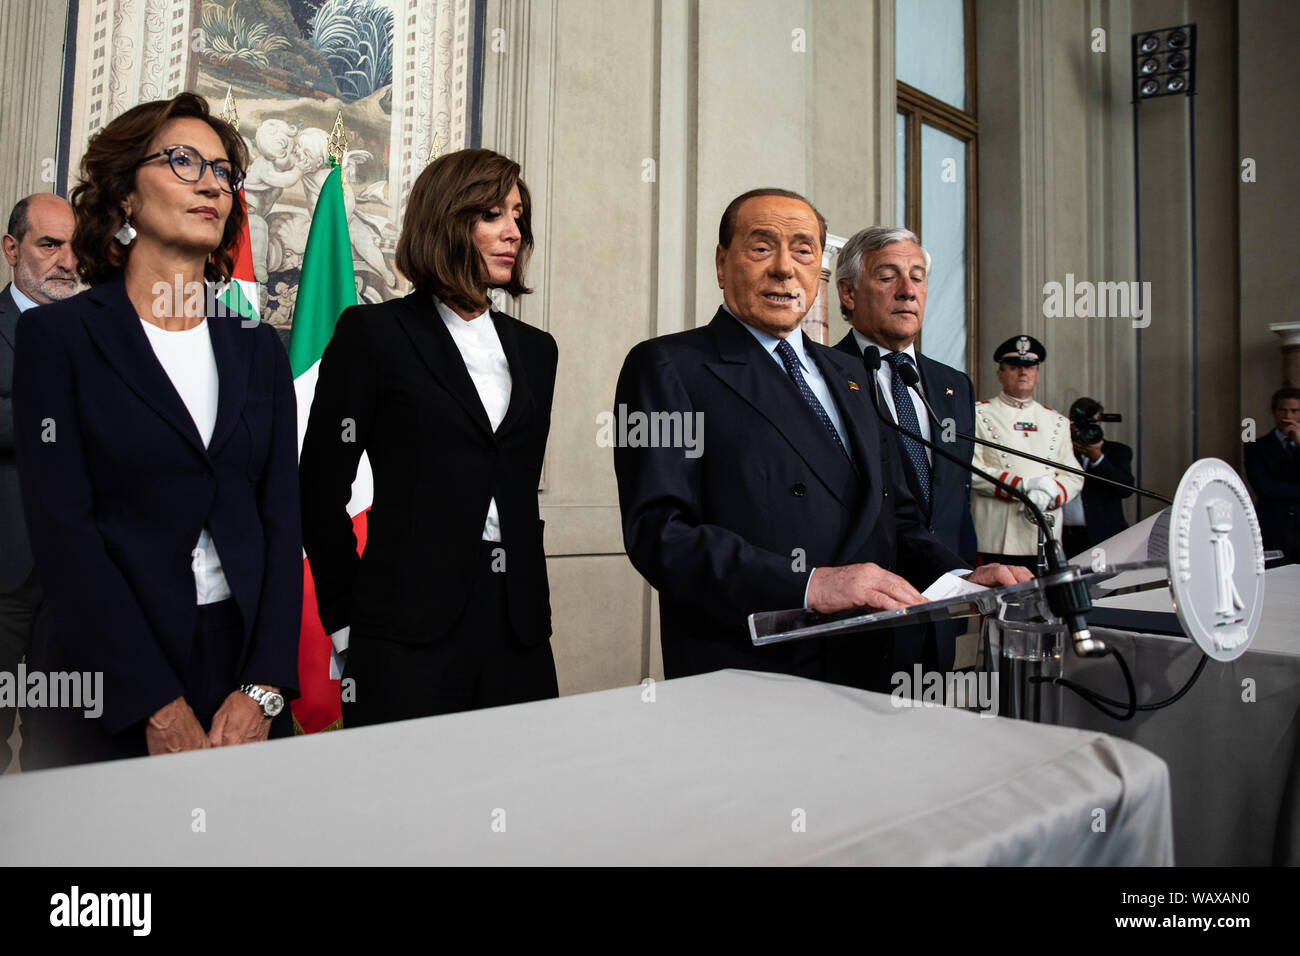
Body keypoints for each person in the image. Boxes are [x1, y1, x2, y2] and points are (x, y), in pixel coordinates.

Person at [613, 188, 1031, 693]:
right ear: (722, 264)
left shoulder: (851, 374)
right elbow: (660, 534)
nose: (785, 269)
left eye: (804, 250)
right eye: (762, 247)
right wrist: (809, 584)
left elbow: (895, 518)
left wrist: (962, 576)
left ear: (821, 275)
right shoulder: (667, 366)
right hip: (754, 668)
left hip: (867, 662)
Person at [12, 92, 301, 766]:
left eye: (224, 171)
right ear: (124, 200)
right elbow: (65, 539)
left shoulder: (257, 346)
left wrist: (263, 688)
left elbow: (282, 523)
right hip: (114, 673)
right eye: (182, 161)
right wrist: (154, 703)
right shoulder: (57, 338)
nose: (211, 183)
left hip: (242, 670)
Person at [299, 148, 558, 726]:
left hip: (518, 626)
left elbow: (510, 485)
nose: (514, 232)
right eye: (493, 214)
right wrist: (344, 624)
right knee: (408, 808)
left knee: (528, 797)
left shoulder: (538, 351)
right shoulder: (373, 335)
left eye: (519, 216)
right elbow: (318, 490)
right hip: (400, 630)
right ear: (446, 219)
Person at [832, 225, 978, 676]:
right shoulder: (825, 378)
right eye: (888, 276)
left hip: (940, 605)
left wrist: (964, 579)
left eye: (917, 276)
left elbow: (955, 498)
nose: (908, 290)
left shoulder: (954, 386)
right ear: (849, 293)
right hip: (859, 616)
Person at [1, 193, 77, 771]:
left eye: (75, 245)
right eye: (49, 244)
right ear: (12, 249)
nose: (67, 260)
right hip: (4, 579)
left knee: (63, 752)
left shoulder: (101, 334)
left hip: (80, 583)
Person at [971, 335, 1083, 571]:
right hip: (995, 539)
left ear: (1037, 374)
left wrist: (1052, 490)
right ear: (1000, 373)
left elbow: (1074, 476)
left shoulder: (1057, 421)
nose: (1023, 372)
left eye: (1029, 367)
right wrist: (1024, 486)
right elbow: (970, 471)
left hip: (1044, 535)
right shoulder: (977, 414)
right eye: (1014, 366)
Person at [1060, 396, 1134, 558]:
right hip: (1066, 538)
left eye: (1093, 423)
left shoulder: (1117, 451)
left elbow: (1126, 489)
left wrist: (1098, 458)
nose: (1088, 428)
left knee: (1105, 583)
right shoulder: (1061, 451)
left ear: (1100, 422)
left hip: (1105, 538)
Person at [1244, 386, 1300, 559]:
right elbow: (1264, 488)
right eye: (1282, 410)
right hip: (1274, 526)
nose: (1288, 416)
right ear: (1274, 412)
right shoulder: (1255, 447)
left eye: (1294, 411)